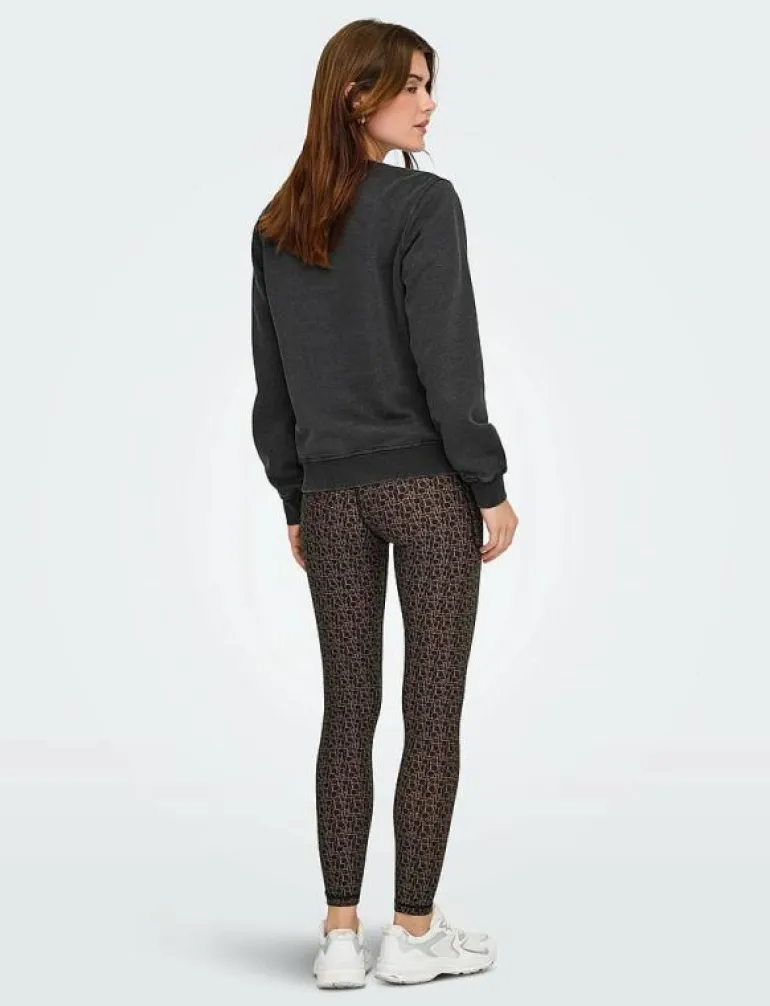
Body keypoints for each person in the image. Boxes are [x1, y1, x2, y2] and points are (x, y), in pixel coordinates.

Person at [249, 18, 519, 989]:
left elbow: (273, 387)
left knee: (347, 708)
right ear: (356, 95)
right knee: (429, 711)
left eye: (428, 84)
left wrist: (294, 493)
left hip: (329, 499)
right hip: (424, 488)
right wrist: (486, 482)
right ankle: (409, 934)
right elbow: (448, 360)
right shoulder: (422, 203)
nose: (429, 102)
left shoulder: (277, 225)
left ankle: (337, 937)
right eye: (411, 84)